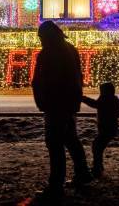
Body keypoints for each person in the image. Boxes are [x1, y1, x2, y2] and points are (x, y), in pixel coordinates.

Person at [32, 21, 92, 201]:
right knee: (70, 139)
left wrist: (43, 99)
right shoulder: (69, 49)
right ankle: (83, 173)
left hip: (55, 104)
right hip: (68, 103)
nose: (41, 40)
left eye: (42, 37)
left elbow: (47, 80)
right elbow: (76, 77)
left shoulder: (50, 53)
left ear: (48, 36)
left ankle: (56, 185)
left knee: (55, 144)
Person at [81, 82, 119, 178]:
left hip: (107, 128)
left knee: (97, 147)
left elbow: (95, 104)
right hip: (110, 128)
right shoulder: (114, 100)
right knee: (98, 147)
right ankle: (98, 167)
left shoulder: (106, 100)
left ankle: (97, 169)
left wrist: (83, 98)